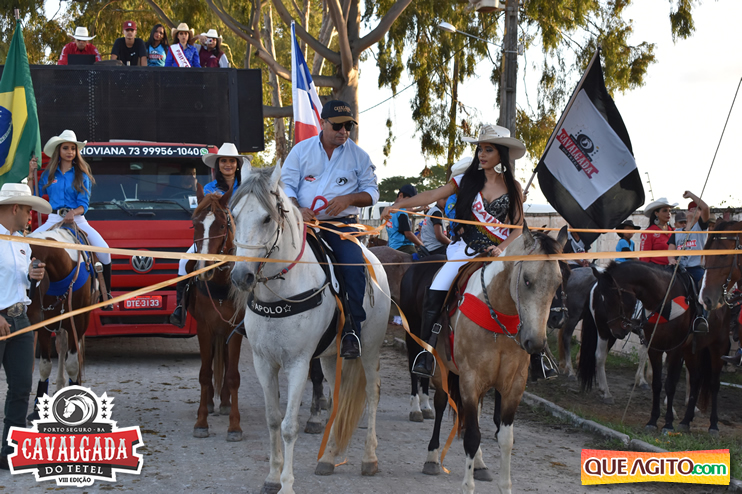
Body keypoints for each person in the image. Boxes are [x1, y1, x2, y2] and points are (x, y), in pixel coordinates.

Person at [382, 124, 531, 378]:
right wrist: (400, 206)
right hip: (466, 251)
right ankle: (426, 352)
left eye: (488, 150)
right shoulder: (464, 182)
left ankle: (536, 353)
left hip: (502, 252)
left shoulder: (513, 187)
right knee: (438, 285)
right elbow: (431, 194)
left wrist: (501, 247)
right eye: (480, 149)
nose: (482, 154)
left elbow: (517, 228)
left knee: (531, 285)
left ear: (501, 154)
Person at [282, 100, 378, 359]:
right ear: (322, 123)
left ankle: (352, 330)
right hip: (302, 223)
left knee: (353, 268)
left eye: (348, 126)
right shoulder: (300, 151)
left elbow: (372, 192)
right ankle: (253, 316)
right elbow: (286, 185)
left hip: (340, 228)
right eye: (337, 126)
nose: (343, 131)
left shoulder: (359, 156)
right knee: (269, 255)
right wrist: (296, 208)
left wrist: (349, 199)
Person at [170, 143, 250, 327]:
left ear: (237, 165)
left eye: (232, 161)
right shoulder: (209, 188)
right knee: (183, 262)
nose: (228, 164)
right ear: (218, 164)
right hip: (215, 235)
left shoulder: (246, 186)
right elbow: (207, 214)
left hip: (243, 236)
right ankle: (181, 306)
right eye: (223, 161)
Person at [30, 130, 113, 306]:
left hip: (78, 220)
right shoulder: (49, 174)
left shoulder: (82, 174)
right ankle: (23, 297)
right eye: (66, 148)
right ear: (59, 150)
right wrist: (31, 174)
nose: (70, 152)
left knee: (105, 251)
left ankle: (106, 295)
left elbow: (84, 204)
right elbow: (35, 194)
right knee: (26, 244)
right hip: (53, 219)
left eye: (73, 148)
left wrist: (73, 213)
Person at [0, 183, 49, 470]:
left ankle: (10, 450)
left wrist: (33, 277)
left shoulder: (22, 242)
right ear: (15, 208)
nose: (31, 216)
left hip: (20, 319)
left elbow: (21, 284)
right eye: (28, 210)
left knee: (21, 386)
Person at [671, 192, 710, 333]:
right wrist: (671, 259)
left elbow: (706, 208)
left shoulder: (701, 228)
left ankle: (702, 318)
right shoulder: (676, 232)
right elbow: (671, 249)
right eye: (690, 208)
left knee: (703, 290)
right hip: (678, 270)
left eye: (696, 209)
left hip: (696, 268)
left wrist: (691, 195)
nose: (693, 209)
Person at [386, 184, 427, 255]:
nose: (410, 204)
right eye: (409, 201)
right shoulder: (402, 212)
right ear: (401, 195)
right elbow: (408, 234)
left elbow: (407, 213)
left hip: (392, 246)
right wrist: (421, 245)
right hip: (404, 246)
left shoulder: (391, 210)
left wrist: (418, 210)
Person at [639, 197, 678, 265]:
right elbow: (644, 257)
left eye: (669, 211)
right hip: (655, 268)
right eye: (665, 211)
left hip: (673, 267)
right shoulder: (648, 233)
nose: (668, 213)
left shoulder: (674, 231)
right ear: (656, 213)